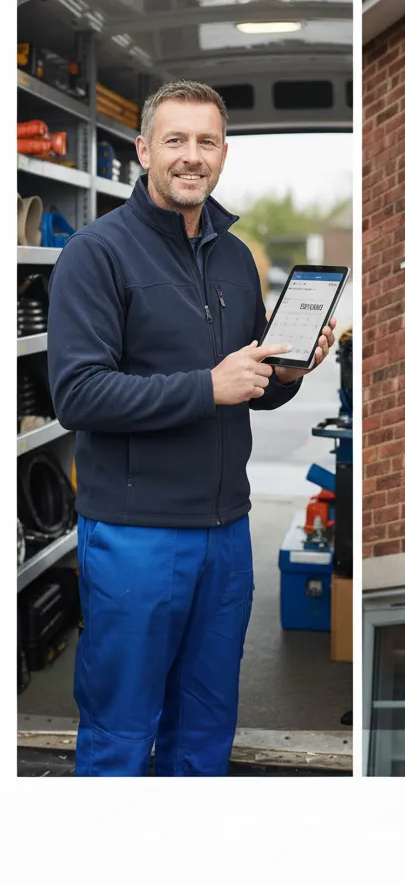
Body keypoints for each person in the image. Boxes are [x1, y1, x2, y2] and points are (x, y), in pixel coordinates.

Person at [47, 80, 337, 776]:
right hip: (136, 535)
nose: (191, 156)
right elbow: (77, 394)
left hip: (225, 536)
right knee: (121, 731)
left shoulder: (236, 258)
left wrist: (285, 376)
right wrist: (207, 387)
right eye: (175, 140)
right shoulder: (97, 253)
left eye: (206, 142)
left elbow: (249, 387)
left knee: (206, 731)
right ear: (144, 149)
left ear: (224, 155)